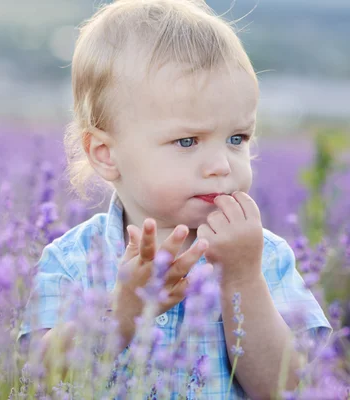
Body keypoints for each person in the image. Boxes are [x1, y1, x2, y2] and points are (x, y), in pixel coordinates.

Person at [18, 0, 332, 398]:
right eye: (188, 141)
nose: (221, 164)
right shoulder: (73, 259)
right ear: (106, 154)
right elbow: (38, 379)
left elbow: (288, 388)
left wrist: (242, 278)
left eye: (237, 138)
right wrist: (123, 310)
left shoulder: (265, 257)